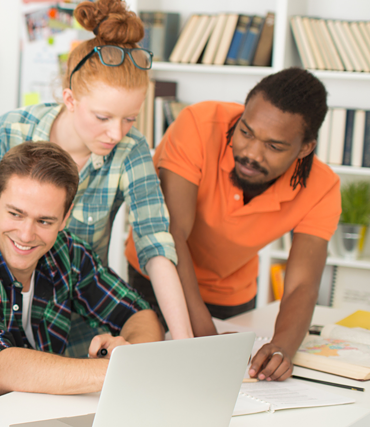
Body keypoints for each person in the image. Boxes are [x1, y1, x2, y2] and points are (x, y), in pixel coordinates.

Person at [0, 0, 193, 340]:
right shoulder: (11, 130)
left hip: (82, 324)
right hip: (3, 313)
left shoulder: (131, 149)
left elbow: (155, 245)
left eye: (130, 118)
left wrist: (184, 342)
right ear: (70, 99)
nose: (117, 133)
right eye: (103, 118)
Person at [124, 68, 340, 381]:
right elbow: (173, 235)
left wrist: (282, 348)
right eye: (246, 132)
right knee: (153, 381)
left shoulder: (323, 187)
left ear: (305, 148)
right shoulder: (198, 124)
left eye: (274, 146)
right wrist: (205, 337)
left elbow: (301, 285)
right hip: (157, 276)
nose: (251, 153)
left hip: (231, 295)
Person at [0, 142, 162, 413]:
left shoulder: (68, 253)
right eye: (16, 214)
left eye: (44, 221)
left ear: (65, 217)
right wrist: (116, 369)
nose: (26, 235)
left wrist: (129, 350)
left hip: (43, 417)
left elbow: (140, 315)